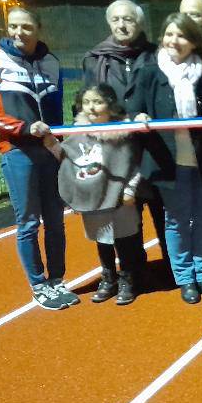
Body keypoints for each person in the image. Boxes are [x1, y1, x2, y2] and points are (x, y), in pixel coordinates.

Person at [127, 13, 202, 304]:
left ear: (194, 42)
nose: (174, 41)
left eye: (182, 36)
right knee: (175, 221)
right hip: (167, 164)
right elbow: (133, 108)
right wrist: (138, 116)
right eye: (169, 34)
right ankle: (185, 278)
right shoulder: (149, 74)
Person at [0, 6, 73, 311]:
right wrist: (23, 128)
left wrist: (60, 146)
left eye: (26, 27)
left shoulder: (52, 63)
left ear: (38, 29)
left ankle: (57, 280)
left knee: (56, 220)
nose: (18, 33)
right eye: (13, 26)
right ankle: (39, 285)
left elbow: (56, 111)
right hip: (18, 152)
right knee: (28, 222)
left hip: (50, 152)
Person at [82, 0, 167, 277]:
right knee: (125, 215)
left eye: (128, 19)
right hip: (116, 151)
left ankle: (171, 268)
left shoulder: (157, 54)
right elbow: (86, 104)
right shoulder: (94, 59)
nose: (122, 24)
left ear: (139, 23)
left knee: (163, 213)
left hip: (154, 148)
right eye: (116, 19)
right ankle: (135, 271)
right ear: (109, 23)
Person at [53, 84, 143, 305]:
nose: (91, 108)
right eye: (86, 102)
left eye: (98, 102)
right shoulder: (77, 133)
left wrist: (131, 189)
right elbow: (68, 158)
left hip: (120, 196)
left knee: (124, 240)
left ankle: (127, 279)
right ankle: (108, 277)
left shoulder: (124, 132)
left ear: (111, 106)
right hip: (94, 197)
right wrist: (49, 143)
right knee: (102, 240)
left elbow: (135, 164)